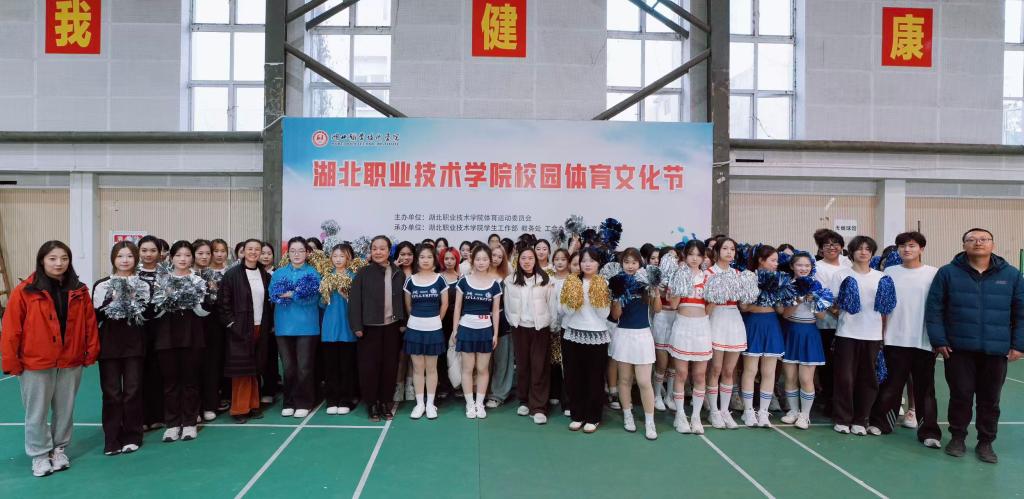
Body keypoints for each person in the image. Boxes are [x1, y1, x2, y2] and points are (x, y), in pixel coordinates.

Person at [926, 228, 1024, 463]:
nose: (978, 243)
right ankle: (957, 437)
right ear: (964, 245)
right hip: (958, 349)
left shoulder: (1011, 275)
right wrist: (939, 340)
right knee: (960, 396)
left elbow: (1021, 312)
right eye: (972, 240)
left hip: (996, 350)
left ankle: (986, 442)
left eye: (983, 239)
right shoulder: (948, 273)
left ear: (992, 244)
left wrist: (1019, 344)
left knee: (990, 399)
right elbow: (934, 309)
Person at [2, 241, 99, 477]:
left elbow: (90, 324)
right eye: (53, 258)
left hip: (70, 361)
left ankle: (59, 450)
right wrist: (11, 361)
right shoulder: (25, 291)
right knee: (36, 412)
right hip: (35, 363)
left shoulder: (79, 290)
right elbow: (11, 329)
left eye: (64, 258)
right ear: (42, 260)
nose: (59, 263)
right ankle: (39, 455)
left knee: (65, 410)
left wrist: (90, 352)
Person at [867, 232, 941, 448]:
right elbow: (882, 307)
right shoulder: (889, 272)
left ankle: (929, 432)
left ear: (921, 249)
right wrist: (881, 335)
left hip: (923, 340)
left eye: (911, 245)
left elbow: (939, 306)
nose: (906, 249)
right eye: (902, 246)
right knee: (891, 385)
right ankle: (881, 423)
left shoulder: (933, 274)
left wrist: (938, 338)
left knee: (925, 389)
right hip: (894, 339)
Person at [93, 241, 153, 455]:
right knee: (111, 393)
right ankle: (111, 439)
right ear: (113, 259)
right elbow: (95, 316)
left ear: (135, 259)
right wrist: (112, 301)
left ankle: (133, 436)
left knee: (132, 391)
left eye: (129, 256)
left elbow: (148, 315)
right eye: (120, 256)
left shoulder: (143, 284)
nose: (125, 260)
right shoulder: (102, 285)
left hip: (135, 345)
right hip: (109, 346)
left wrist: (134, 301)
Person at [831, 236, 895, 436]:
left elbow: (887, 309)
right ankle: (842, 418)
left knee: (868, 380)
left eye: (868, 249)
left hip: (872, 336)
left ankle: (861, 419)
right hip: (846, 334)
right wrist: (843, 308)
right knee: (844, 378)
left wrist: (884, 336)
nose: (863, 252)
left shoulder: (881, 277)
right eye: (859, 248)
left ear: (872, 253)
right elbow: (832, 304)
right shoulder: (841, 275)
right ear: (851, 252)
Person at [153, 241, 212, 443]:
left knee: (190, 381)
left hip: (192, 337)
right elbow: (155, 312)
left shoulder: (198, 281)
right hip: (166, 338)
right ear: (171, 258)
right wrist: (166, 299)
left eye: (187, 255)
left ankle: (189, 423)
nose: (183, 259)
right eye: (178, 255)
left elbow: (204, 311)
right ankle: (172, 425)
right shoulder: (161, 281)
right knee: (170, 383)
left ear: (192, 258)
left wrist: (195, 299)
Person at [349, 236, 407, 422]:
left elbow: (403, 300)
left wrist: (403, 322)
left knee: (389, 367)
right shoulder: (363, 273)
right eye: (374, 248)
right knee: (369, 368)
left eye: (382, 248)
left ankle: (384, 402)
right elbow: (354, 302)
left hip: (392, 328)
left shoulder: (398, 273)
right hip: (369, 328)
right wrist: (357, 326)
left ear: (389, 251)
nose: (378, 252)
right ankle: (371, 404)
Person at [218, 239, 274, 424]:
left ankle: (253, 405)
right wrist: (232, 324)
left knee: (255, 369)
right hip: (240, 329)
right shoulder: (232, 274)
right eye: (250, 249)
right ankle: (239, 409)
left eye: (257, 249)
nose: (254, 252)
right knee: (241, 371)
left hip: (260, 327)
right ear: (243, 252)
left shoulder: (265, 275)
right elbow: (223, 303)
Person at [609, 248, 661, 440]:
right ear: (621, 264)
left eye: (634, 262)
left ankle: (650, 421)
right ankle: (627, 415)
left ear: (640, 264)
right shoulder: (617, 282)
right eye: (626, 262)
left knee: (644, 382)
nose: (630, 266)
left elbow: (657, 309)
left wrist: (655, 291)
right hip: (623, 335)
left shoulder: (645, 283)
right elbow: (615, 316)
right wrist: (617, 297)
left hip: (643, 336)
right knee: (624, 380)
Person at [559, 248, 612, 434]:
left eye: (592, 260)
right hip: (573, 334)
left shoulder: (604, 282)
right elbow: (565, 310)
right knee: (574, 377)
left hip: (597, 336)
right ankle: (577, 415)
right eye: (584, 261)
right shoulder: (571, 281)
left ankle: (593, 417)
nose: (587, 264)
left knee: (595, 378)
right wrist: (575, 298)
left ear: (598, 263)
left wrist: (596, 294)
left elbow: (604, 314)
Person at [269, 237, 322, 419]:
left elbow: (314, 298)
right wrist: (296, 294)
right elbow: (273, 294)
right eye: (293, 251)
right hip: (283, 326)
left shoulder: (313, 273)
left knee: (304, 367)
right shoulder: (279, 273)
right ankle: (289, 402)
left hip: (307, 327)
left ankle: (304, 402)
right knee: (288, 367)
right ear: (288, 253)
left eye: (301, 251)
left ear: (307, 253)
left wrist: (292, 294)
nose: (297, 254)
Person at [505, 247, 557, 425]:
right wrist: (513, 322)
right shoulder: (510, 280)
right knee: (522, 366)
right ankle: (524, 401)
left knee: (539, 366)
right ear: (518, 261)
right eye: (523, 258)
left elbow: (551, 304)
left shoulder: (545, 279)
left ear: (535, 260)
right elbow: (507, 305)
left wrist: (551, 325)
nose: (527, 261)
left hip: (540, 328)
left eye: (530, 258)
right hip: (519, 328)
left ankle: (539, 407)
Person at [665, 240, 713, 435]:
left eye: (698, 255)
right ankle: (680, 415)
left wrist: (716, 297)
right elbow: (674, 305)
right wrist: (678, 286)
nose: (694, 258)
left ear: (703, 257)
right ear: (684, 255)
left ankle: (696, 417)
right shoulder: (678, 274)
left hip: (702, 327)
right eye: (691, 254)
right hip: (682, 325)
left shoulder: (708, 277)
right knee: (681, 374)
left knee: (700, 375)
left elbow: (709, 308)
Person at [452, 245, 503, 419]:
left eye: (485, 259)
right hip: (466, 328)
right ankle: (469, 403)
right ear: (473, 261)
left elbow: (495, 311)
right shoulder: (463, 281)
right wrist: (455, 329)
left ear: (490, 261)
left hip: (485, 330)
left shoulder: (495, 284)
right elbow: (457, 307)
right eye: (478, 259)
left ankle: (480, 404)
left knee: (482, 369)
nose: (481, 262)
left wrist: (495, 333)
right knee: (467, 368)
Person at [779, 252, 827, 430]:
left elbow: (822, 316)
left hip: (809, 333)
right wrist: (798, 300)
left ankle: (805, 415)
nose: (803, 268)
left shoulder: (817, 286)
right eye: (800, 265)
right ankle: (793, 411)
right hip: (790, 331)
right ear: (792, 266)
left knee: (806, 378)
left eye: (807, 265)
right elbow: (785, 314)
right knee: (790, 377)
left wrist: (814, 300)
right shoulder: (787, 285)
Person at [740, 245, 785, 429]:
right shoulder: (749, 277)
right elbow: (744, 306)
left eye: (777, 261)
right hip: (754, 324)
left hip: (772, 325)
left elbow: (780, 310)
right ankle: (748, 410)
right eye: (772, 260)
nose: (776, 264)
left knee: (769, 372)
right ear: (761, 260)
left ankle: (764, 412)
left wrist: (779, 297)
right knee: (750, 370)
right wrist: (763, 302)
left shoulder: (779, 279)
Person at [403, 245, 449, 420]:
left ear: (434, 260)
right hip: (414, 328)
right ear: (417, 259)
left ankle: (430, 404)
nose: (425, 260)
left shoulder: (440, 279)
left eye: (429, 257)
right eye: (422, 257)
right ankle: (419, 404)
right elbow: (408, 306)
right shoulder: (410, 280)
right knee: (417, 369)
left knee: (431, 368)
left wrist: (436, 320)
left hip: (434, 329)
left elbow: (444, 304)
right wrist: (417, 320)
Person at [705, 237, 745, 430]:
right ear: (717, 251)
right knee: (715, 369)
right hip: (716, 319)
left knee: (729, 371)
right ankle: (713, 411)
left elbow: (743, 305)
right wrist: (717, 296)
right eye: (725, 248)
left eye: (732, 249)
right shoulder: (708, 273)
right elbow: (706, 306)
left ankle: (724, 410)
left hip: (734, 320)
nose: (729, 252)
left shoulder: (739, 274)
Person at [812, 228, 850, 416]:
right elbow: (819, 293)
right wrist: (836, 312)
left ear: (842, 247)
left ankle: (843, 400)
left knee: (845, 363)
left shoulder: (848, 264)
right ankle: (828, 399)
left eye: (835, 244)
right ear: (820, 249)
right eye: (826, 245)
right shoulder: (817, 267)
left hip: (848, 320)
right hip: (826, 320)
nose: (831, 247)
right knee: (828, 362)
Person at [486, 244, 515, 408]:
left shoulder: (507, 278)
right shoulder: (477, 275)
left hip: (502, 321)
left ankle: (498, 394)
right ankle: (482, 391)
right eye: (493, 255)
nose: (495, 259)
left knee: (502, 359)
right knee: (483, 360)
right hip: (480, 321)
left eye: (499, 256)